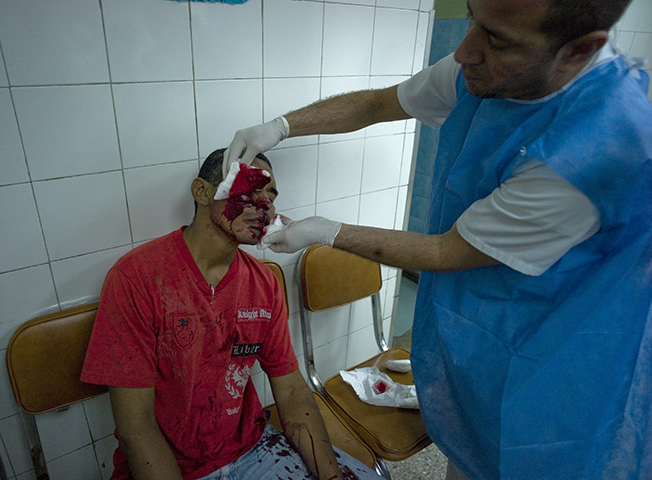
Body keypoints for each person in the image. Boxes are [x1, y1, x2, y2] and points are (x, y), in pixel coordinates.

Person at [224, 0, 652, 479]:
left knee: (536, 454)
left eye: (497, 40)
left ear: (579, 51)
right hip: (481, 324)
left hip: (562, 353)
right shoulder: (486, 67)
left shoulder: (596, 150)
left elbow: (449, 250)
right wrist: (280, 128)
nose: (466, 50)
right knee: (470, 447)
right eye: (473, 19)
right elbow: (376, 103)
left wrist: (328, 232)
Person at [81, 149, 382, 480]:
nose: (265, 203)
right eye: (251, 186)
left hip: (253, 450)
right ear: (202, 192)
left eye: (271, 194)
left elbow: (293, 392)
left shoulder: (263, 283)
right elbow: (135, 427)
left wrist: (331, 477)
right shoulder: (137, 279)